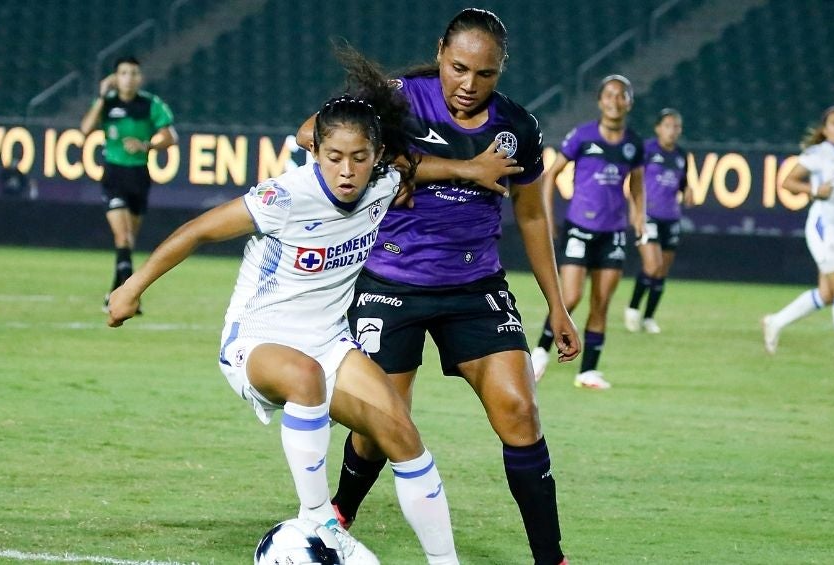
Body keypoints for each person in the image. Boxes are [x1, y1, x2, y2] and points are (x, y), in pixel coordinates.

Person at [107, 49, 460, 565]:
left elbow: (421, 168)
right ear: (316, 152)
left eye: (359, 157)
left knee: (401, 433)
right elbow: (197, 231)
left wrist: (467, 161)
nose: (346, 170)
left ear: (378, 155)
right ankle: (320, 521)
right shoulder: (286, 196)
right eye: (333, 156)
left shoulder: (386, 182)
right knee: (304, 376)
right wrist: (132, 287)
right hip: (257, 339)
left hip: (330, 341)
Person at [299, 10, 580, 565]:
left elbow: (530, 214)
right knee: (382, 424)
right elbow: (312, 133)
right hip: (391, 283)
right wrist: (442, 167)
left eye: (485, 74)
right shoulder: (398, 99)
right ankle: (339, 514)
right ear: (440, 53)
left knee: (521, 412)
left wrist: (559, 307)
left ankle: (551, 558)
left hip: (475, 288)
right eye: (458, 68)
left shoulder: (517, 128)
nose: (469, 85)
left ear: (501, 71)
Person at [532, 74, 646, 390]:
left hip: (613, 233)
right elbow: (551, 175)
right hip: (580, 228)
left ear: (629, 103)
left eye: (621, 95)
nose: (615, 100)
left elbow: (637, 184)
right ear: (600, 101)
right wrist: (547, 216)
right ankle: (540, 350)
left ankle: (588, 372)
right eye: (609, 95)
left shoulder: (633, 144)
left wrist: (640, 216)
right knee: (571, 296)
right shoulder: (582, 137)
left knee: (601, 302)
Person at [762, 106, 834, 367]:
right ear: (825, 129)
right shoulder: (817, 154)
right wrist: (815, 189)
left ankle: (775, 322)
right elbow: (788, 182)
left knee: (827, 293)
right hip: (824, 224)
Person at [80, 55, 177, 313]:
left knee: (128, 240)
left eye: (133, 73)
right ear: (115, 77)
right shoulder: (107, 104)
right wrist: (101, 96)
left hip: (139, 176)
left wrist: (147, 145)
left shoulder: (149, 104)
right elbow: (86, 128)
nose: (129, 78)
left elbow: (170, 137)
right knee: (122, 236)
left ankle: (117, 293)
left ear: (140, 78)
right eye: (123, 73)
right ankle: (130, 296)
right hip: (114, 175)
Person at [624, 108, 693, 334]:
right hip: (649, 215)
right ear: (658, 128)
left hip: (671, 217)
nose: (672, 131)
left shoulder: (682, 155)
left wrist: (689, 191)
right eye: (668, 126)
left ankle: (649, 317)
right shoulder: (646, 150)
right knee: (651, 266)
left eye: (676, 127)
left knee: (661, 271)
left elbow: (683, 184)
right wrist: (636, 212)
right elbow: (633, 181)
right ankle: (633, 309)